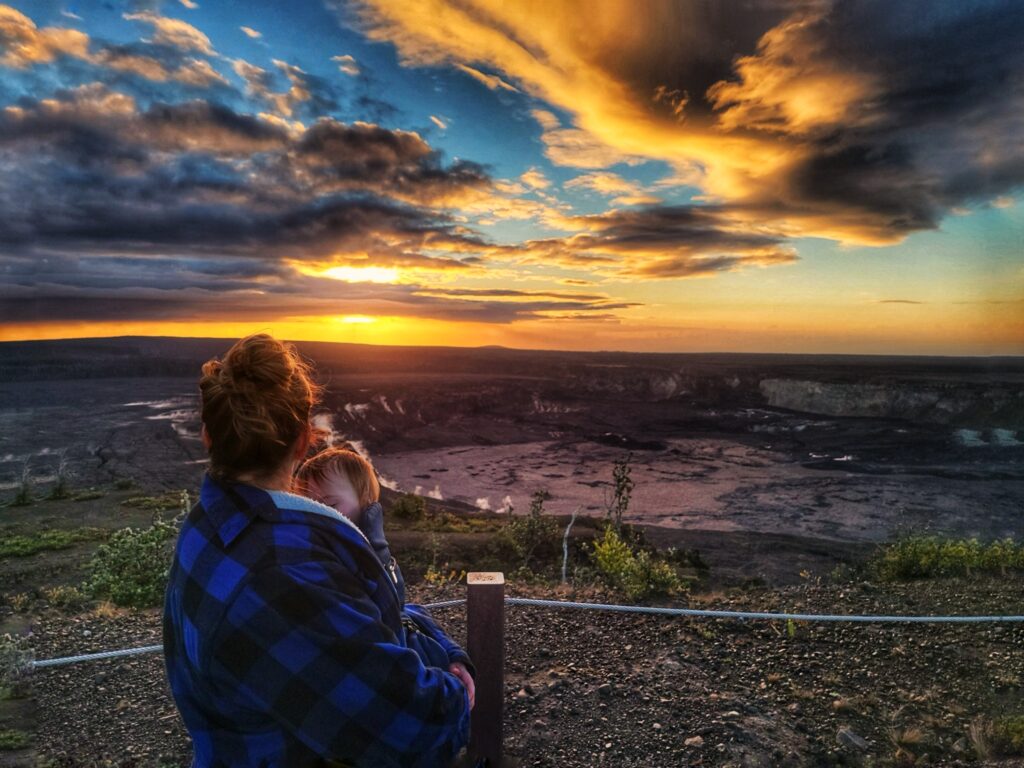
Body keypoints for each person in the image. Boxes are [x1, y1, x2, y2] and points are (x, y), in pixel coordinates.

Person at [162, 333, 472, 768]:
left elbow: (364, 631)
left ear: (207, 437)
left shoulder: (203, 531)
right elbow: (416, 729)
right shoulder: (284, 572)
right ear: (304, 441)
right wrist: (456, 690)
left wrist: (435, 643)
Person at [294, 447, 475, 701]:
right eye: (307, 505)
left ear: (367, 502)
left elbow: (401, 612)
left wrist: (452, 653)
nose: (318, 515)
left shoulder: (367, 554)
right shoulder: (317, 563)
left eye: (330, 504)